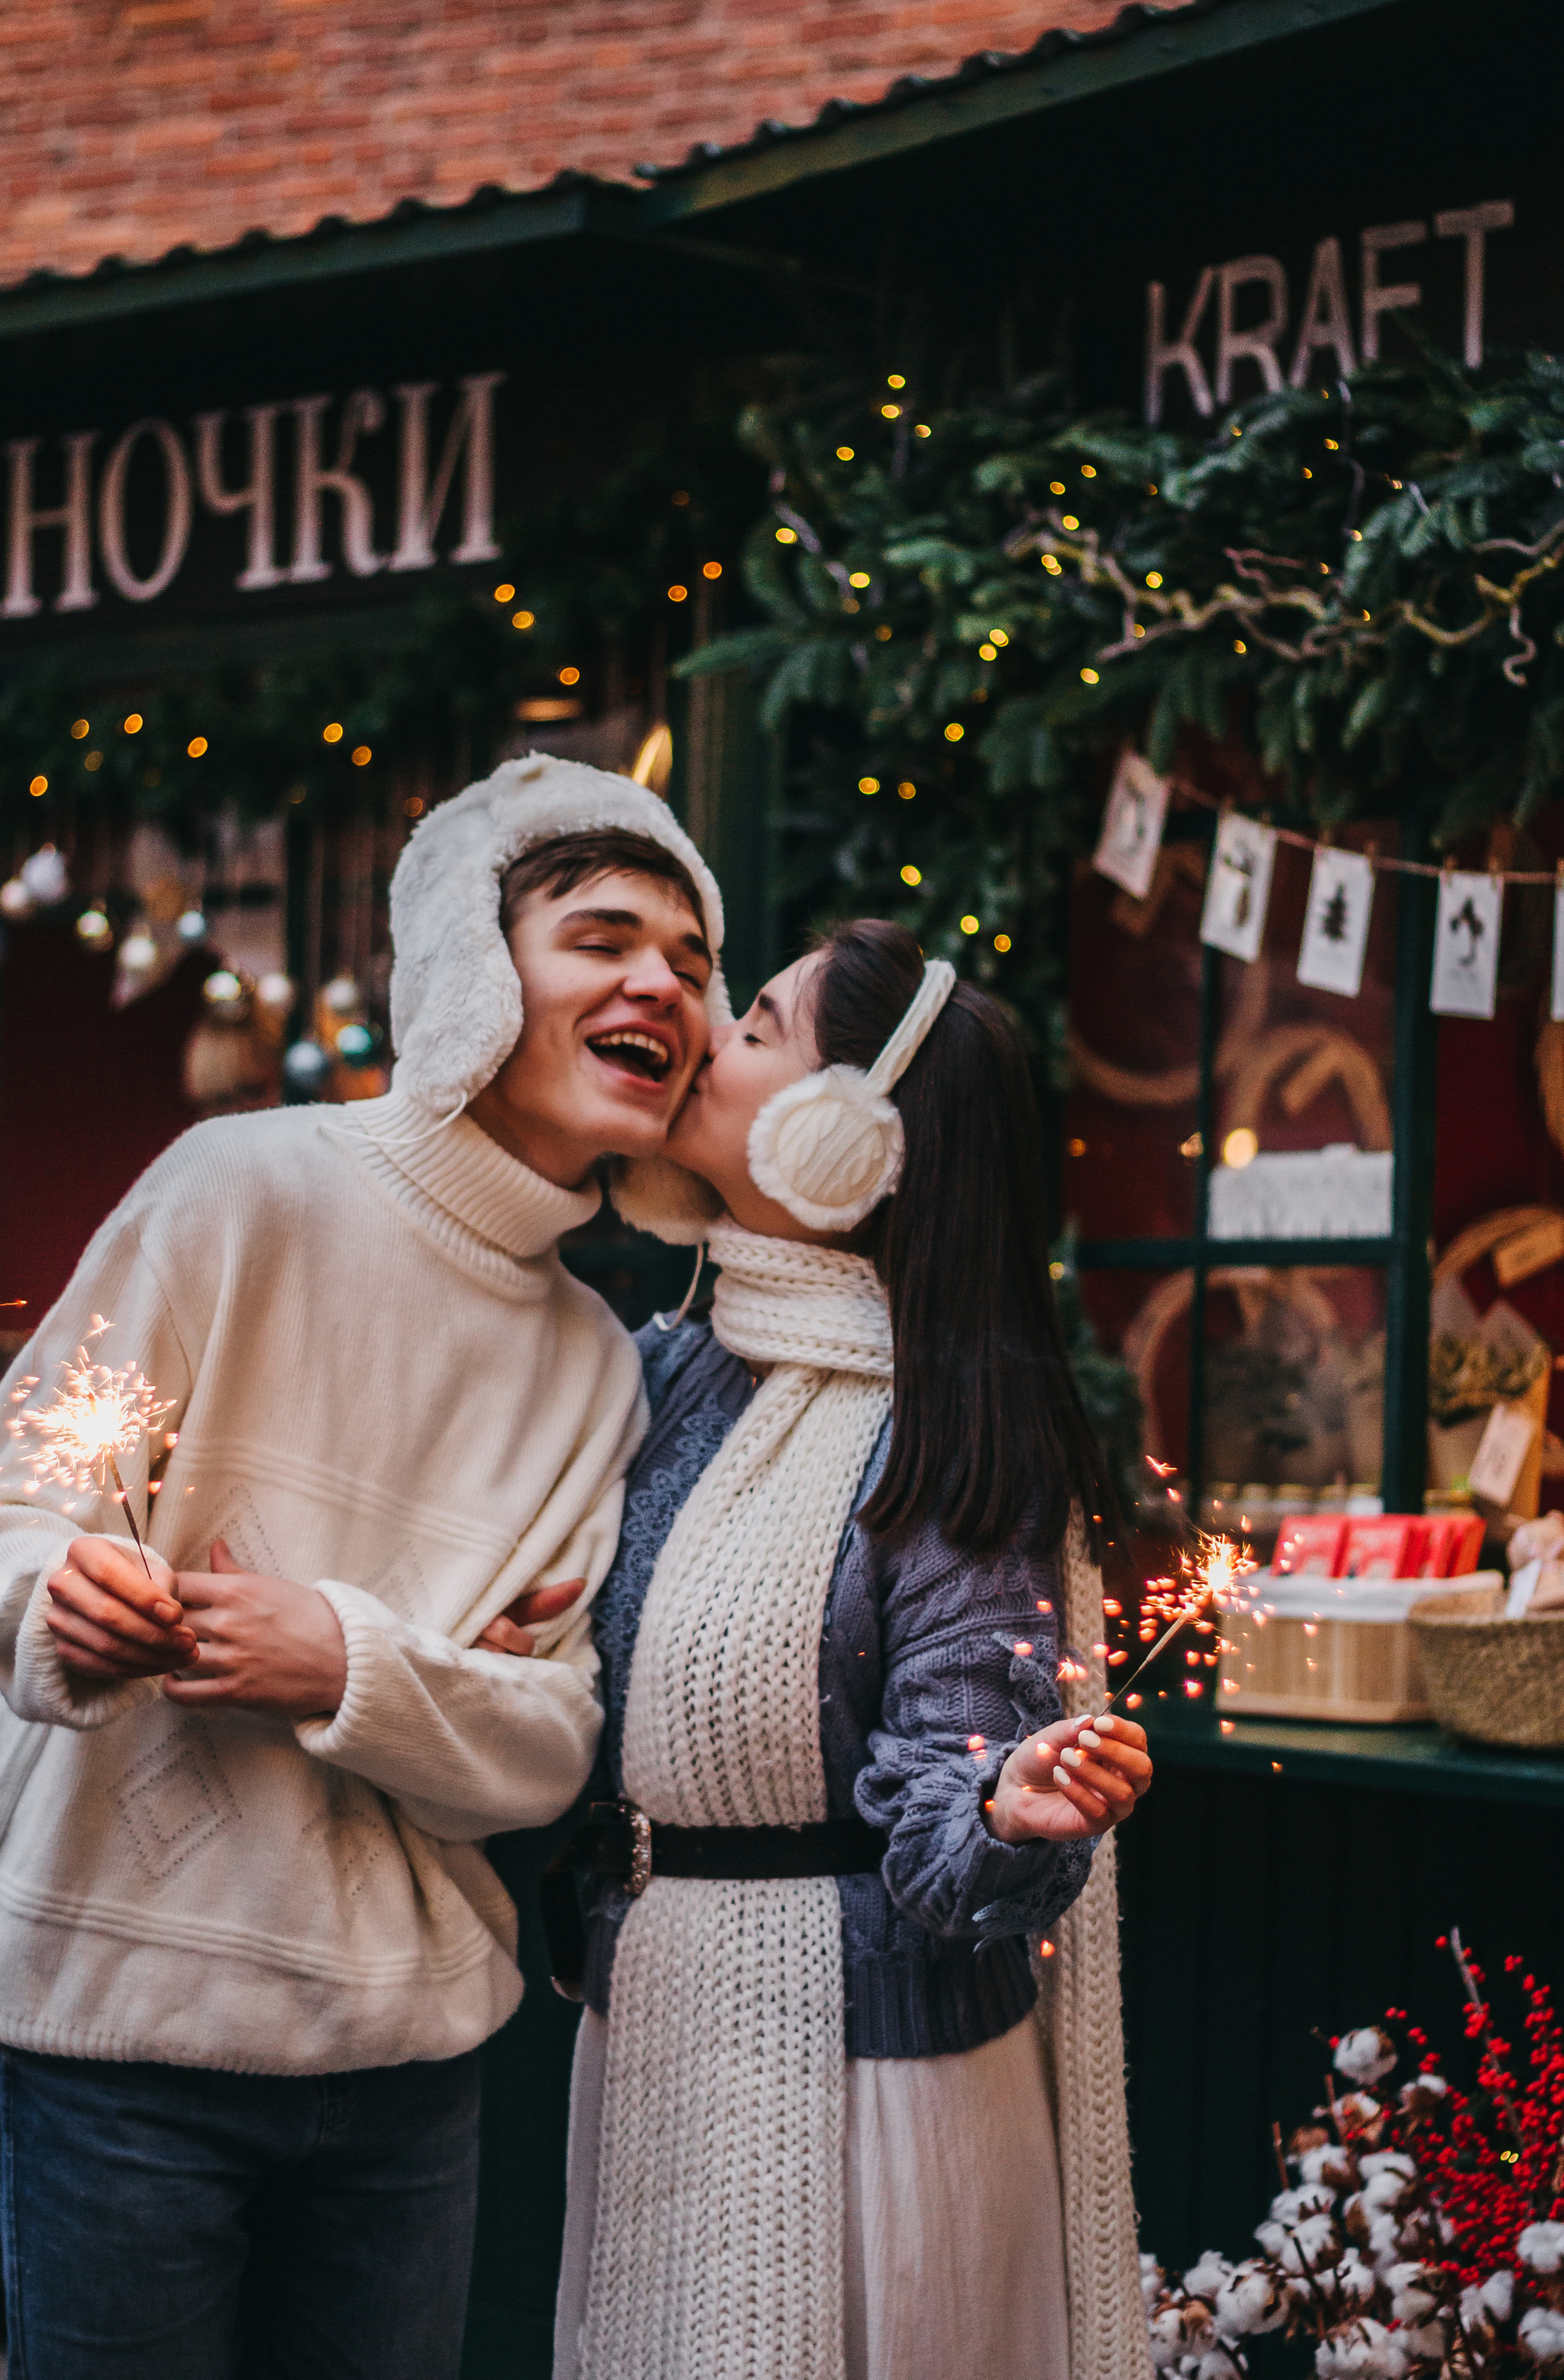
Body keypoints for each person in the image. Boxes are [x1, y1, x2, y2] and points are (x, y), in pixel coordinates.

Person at [0, 754, 730, 2380]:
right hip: (121, 2035)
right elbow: (23, 1499)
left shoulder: (597, 1365)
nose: (661, 979)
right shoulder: (236, 1190)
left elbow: (545, 1745)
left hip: (409, 2070)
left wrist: (344, 1662)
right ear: (467, 964)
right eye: (602, 936)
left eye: (693, 957)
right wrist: (59, 1597)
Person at [529, 915, 1155, 2380]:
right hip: (655, 2039)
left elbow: (949, 1821)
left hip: (873, 2095)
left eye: (755, 1022)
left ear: (837, 1137)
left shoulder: (943, 1435)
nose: (703, 1033)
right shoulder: (676, 1366)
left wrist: (1009, 1811)